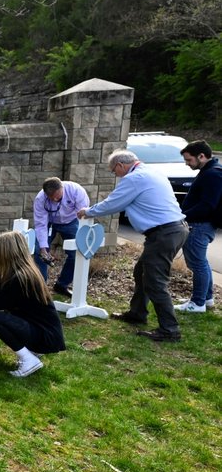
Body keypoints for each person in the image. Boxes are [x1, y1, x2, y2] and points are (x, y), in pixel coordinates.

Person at [78, 149, 188, 342]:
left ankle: (170, 330)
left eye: (114, 171)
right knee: (141, 272)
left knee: (155, 281)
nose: (116, 175)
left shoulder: (134, 178)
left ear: (120, 166)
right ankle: (137, 313)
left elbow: (113, 203)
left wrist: (88, 212)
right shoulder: (151, 172)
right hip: (171, 230)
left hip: (164, 233)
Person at [0, 231, 66, 377]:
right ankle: (31, 353)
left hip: (45, 337)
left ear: (6, 253)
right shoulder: (24, 273)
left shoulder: (20, 279)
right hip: (45, 333)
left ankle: (28, 359)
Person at [175, 140, 222, 313]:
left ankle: (197, 303)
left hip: (200, 226)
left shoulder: (212, 175)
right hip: (201, 225)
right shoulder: (209, 171)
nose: (187, 164)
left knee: (197, 264)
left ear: (201, 156)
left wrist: (182, 216)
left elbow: (208, 205)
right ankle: (206, 299)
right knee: (201, 263)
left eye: (189, 160)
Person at [32, 177, 90, 297]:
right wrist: (43, 248)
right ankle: (40, 287)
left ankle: (62, 285)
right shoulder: (40, 199)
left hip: (71, 221)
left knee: (76, 253)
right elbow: (40, 224)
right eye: (51, 198)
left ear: (62, 188)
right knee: (38, 252)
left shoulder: (76, 191)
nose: (54, 199)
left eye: (57, 197)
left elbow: (83, 215)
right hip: (49, 223)